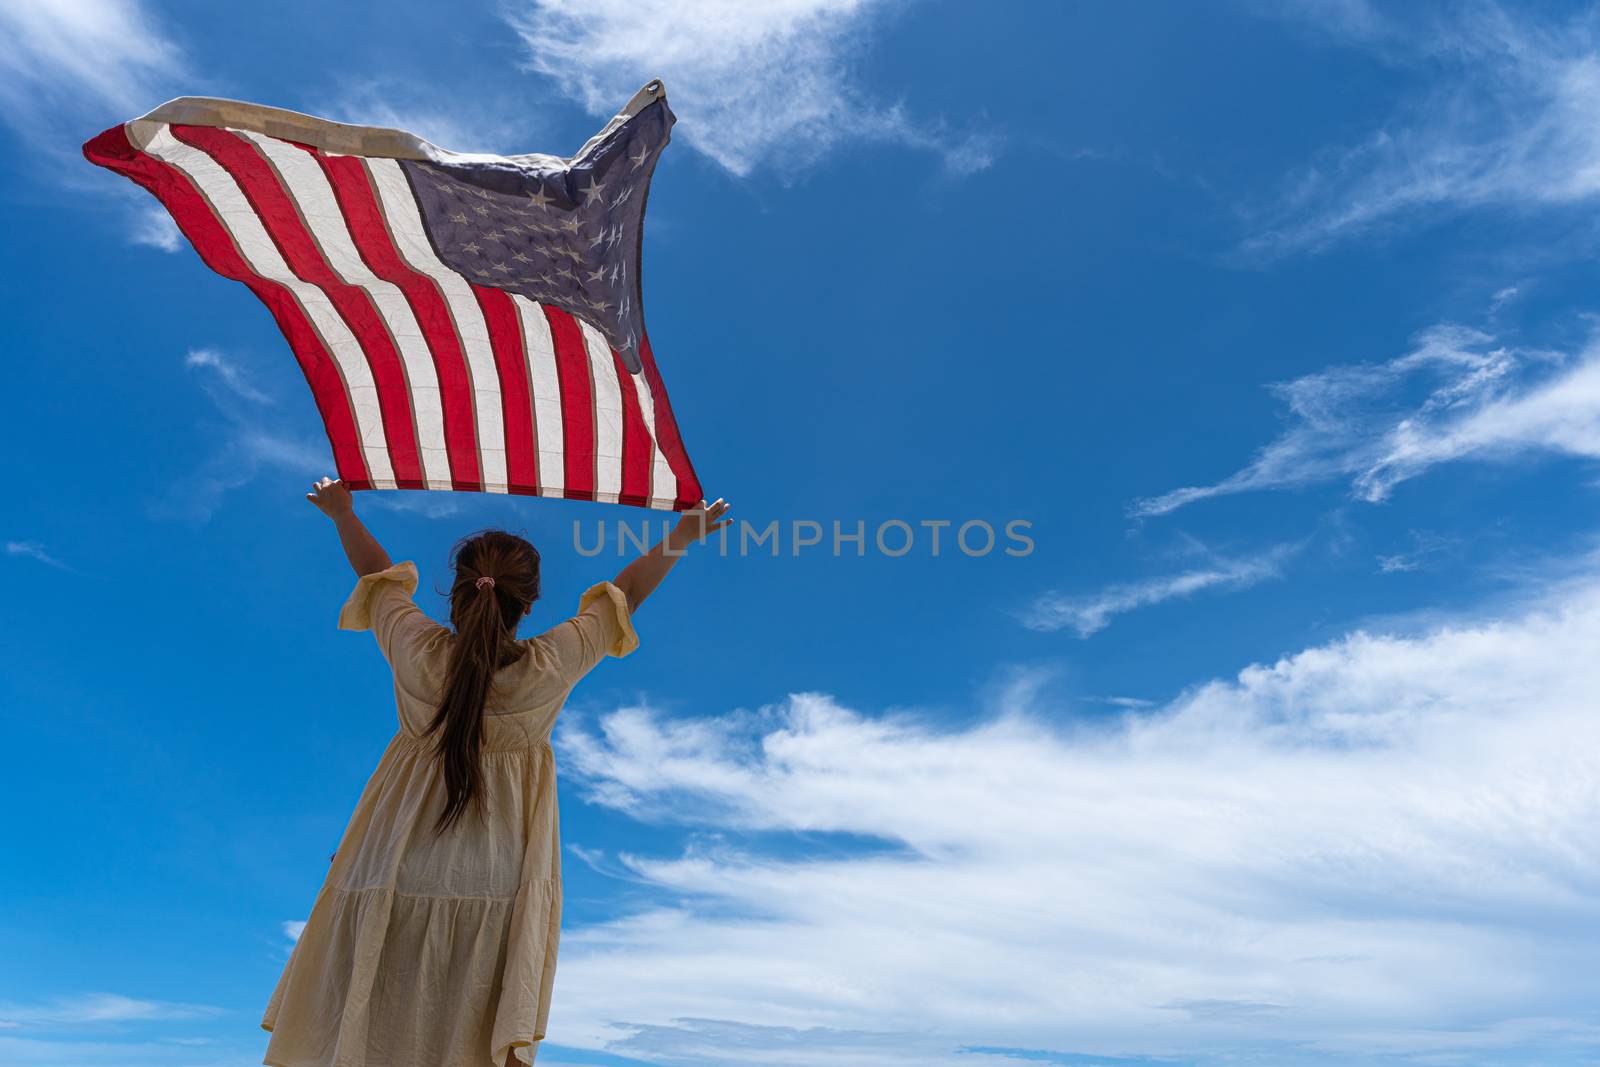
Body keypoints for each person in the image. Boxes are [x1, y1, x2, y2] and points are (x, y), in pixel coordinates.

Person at [260, 477, 731, 1067]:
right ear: (527, 603)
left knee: (366, 1025)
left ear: (455, 591)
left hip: (384, 868)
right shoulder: (548, 666)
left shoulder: (417, 652)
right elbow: (624, 595)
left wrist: (342, 514)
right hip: (495, 883)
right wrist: (683, 535)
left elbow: (377, 577)